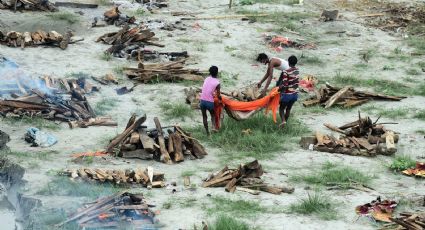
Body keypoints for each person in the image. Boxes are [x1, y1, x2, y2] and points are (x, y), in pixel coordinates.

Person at [276, 55, 299, 128]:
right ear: (296, 63)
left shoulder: (286, 71)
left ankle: (283, 121)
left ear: (288, 62)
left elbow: (285, 84)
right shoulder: (297, 70)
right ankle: (284, 124)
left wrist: (279, 89)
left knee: (281, 109)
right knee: (288, 109)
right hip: (295, 94)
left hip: (287, 94)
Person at [200, 66, 221, 136]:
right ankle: (213, 127)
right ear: (217, 73)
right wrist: (220, 99)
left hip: (202, 101)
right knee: (213, 115)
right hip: (209, 102)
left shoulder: (206, 79)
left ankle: (207, 133)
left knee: (204, 116)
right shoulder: (217, 82)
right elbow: (218, 95)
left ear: (210, 72)